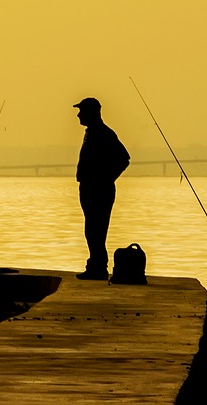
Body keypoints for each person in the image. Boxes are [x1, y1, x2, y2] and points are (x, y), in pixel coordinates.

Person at [73, 97, 130, 280]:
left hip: (100, 190)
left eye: (82, 111)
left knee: (97, 229)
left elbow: (124, 158)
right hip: (89, 188)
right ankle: (95, 265)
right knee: (91, 229)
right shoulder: (91, 132)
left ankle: (98, 268)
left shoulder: (104, 133)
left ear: (92, 112)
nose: (78, 114)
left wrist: (106, 179)